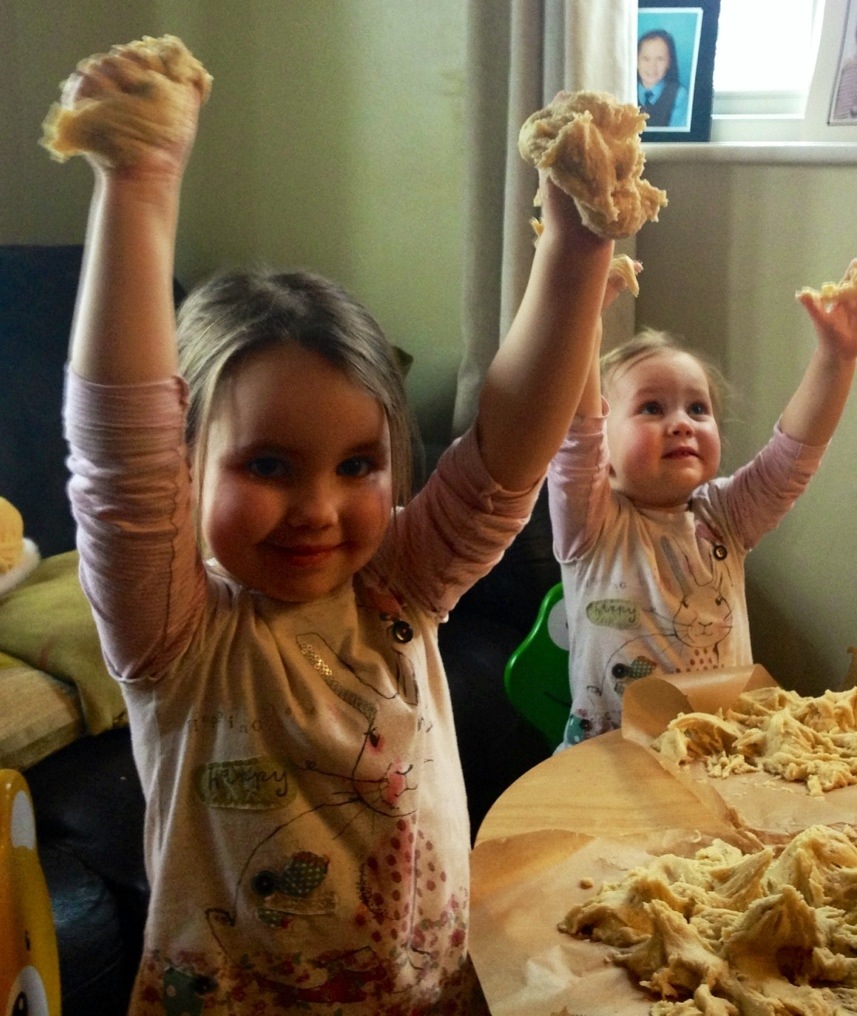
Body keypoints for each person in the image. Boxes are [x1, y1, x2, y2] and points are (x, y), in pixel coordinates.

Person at [56, 39, 613, 1015]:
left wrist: (576, 246)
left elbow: (505, 461)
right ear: (186, 469)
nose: (318, 507)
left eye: (357, 465)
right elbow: (120, 466)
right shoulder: (174, 635)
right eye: (268, 465)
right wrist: (139, 185)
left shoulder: (400, 584)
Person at [549, 270, 857, 751]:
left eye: (697, 409)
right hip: (609, 765)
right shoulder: (592, 522)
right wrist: (584, 316)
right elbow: (578, 433)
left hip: (723, 758)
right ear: (603, 444)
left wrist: (837, 359)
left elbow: (794, 455)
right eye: (651, 408)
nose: (681, 424)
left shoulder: (726, 516)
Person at [637, 28, 689, 128]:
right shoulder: (626, 90)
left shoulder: (679, 95)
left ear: (669, 62)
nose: (652, 66)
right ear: (636, 61)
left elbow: (677, 135)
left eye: (660, 59)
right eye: (646, 59)